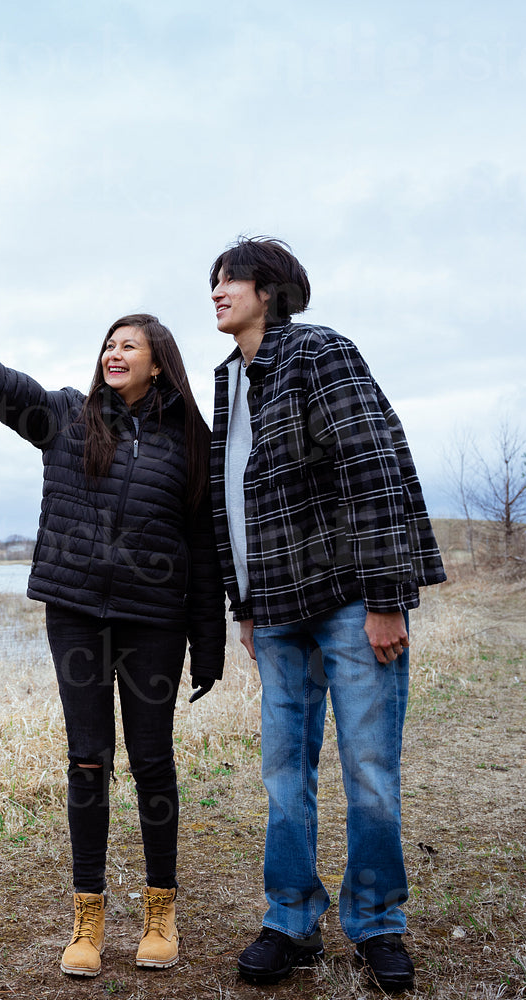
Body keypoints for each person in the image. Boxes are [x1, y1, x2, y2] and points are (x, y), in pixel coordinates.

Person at [0, 297, 226, 976]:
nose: (112, 354)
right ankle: (88, 918)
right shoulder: (63, 417)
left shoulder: (190, 441)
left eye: (128, 347)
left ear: (159, 362)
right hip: (77, 613)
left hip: (155, 621)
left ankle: (160, 912)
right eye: (108, 345)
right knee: (87, 761)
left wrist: (210, 638)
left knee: (151, 763)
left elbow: (202, 546)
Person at [206, 238, 445, 993]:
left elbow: (372, 468)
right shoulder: (230, 382)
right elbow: (234, 505)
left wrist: (384, 598)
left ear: (268, 289)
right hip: (275, 610)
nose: (216, 291)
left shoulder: (319, 353)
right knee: (285, 777)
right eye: (211, 282)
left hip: (346, 600)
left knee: (369, 771)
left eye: (230, 280)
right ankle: (291, 922)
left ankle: (377, 926)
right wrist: (242, 603)